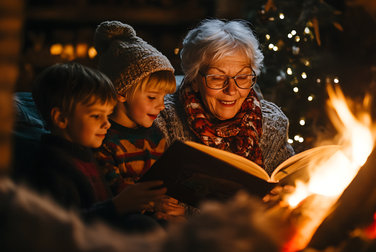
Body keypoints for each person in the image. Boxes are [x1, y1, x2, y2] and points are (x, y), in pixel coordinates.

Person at [29, 62, 166, 231]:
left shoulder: (87, 155)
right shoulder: (51, 165)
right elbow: (59, 228)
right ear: (61, 119)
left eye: (108, 115)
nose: (107, 124)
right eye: (96, 116)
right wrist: (117, 206)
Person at [155, 19, 295, 176]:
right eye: (217, 78)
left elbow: (289, 182)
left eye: (242, 77)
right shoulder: (163, 119)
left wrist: (284, 192)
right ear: (194, 79)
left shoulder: (273, 124)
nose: (231, 90)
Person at [93, 21, 185, 222]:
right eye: (152, 97)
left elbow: (164, 181)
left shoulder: (156, 135)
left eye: (163, 98)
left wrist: (171, 205)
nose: (161, 106)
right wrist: (153, 204)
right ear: (121, 92)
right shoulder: (103, 137)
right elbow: (113, 190)